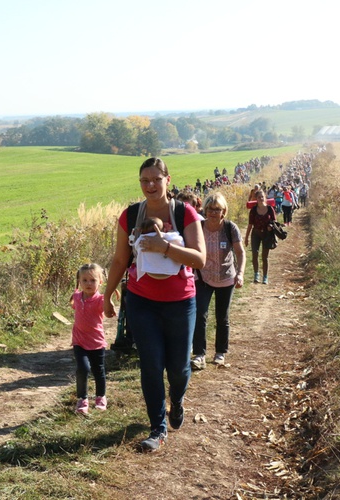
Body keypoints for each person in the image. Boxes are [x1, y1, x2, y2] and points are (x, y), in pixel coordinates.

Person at [104, 157, 205, 452]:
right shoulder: (131, 215)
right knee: (150, 365)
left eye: (155, 180)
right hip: (142, 301)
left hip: (180, 302)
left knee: (177, 368)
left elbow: (200, 259)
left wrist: (165, 248)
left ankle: (177, 398)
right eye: (144, 181)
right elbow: (121, 259)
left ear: (167, 180)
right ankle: (157, 428)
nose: (150, 186)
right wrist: (108, 295)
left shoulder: (184, 213)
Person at [191, 192, 246, 371]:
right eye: (210, 208)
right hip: (202, 277)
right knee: (200, 314)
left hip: (226, 277)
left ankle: (220, 352)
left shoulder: (230, 228)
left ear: (224, 211)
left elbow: (240, 252)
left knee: (222, 317)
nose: (214, 212)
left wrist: (240, 273)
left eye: (218, 209)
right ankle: (199, 355)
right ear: (205, 209)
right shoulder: (198, 227)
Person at [70, 263, 110, 415]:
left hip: (97, 343)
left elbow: (109, 312)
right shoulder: (76, 297)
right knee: (83, 369)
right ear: (79, 281)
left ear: (100, 282)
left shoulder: (101, 300)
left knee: (98, 370)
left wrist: (110, 303)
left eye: (92, 280)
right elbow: (76, 309)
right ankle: (82, 399)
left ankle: (100, 397)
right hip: (79, 342)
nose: (88, 284)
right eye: (84, 280)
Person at [244, 190, 276, 285]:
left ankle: (265, 276)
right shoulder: (253, 210)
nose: (261, 199)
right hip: (256, 234)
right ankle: (256, 274)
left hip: (267, 235)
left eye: (262, 197)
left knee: (264, 257)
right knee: (255, 254)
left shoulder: (270, 209)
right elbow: (250, 224)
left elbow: (275, 222)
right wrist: (246, 238)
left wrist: (271, 226)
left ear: (265, 198)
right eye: (259, 197)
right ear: (256, 199)